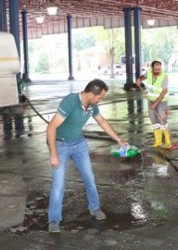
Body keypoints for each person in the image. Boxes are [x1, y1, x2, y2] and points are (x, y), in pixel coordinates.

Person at [46, 79, 127, 233]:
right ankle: (54, 220)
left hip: (79, 144)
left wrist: (118, 139)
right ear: (91, 94)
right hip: (61, 146)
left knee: (90, 178)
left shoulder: (92, 106)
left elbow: (102, 121)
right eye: (100, 97)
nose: (100, 100)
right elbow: (51, 128)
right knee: (58, 185)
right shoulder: (70, 102)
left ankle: (94, 208)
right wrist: (53, 154)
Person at [135, 60, 172, 149]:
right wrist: (139, 80)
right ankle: (158, 142)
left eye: (159, 69)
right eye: (155, 69)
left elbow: (164, 92)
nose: (157, 71)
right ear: (152, 68)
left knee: (162, 119)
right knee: (153, 120)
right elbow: (143, 77)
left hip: (162, 100)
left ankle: (168, 142)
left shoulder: (164, 76)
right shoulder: (149, 73)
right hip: (151, 99)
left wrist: (155, 103)